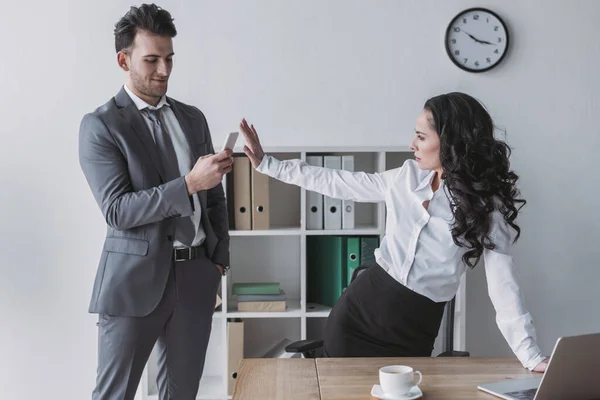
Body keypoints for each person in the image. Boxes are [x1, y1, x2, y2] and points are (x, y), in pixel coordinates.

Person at [239, 92, 549, 372]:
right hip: (356, 315)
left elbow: (504, 287)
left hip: (412, 331)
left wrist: (531, 355)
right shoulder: (406, 177)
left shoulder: (486, 208)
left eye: (421, 137)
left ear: (452, 141)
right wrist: (269, 166)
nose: (412, 145)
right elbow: (341, 183)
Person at [78, 4, 233, 399]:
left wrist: (217, 260)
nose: (163, 70)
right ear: (123, 59)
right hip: (133, 284)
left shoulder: (193, 119)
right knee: (115, 394)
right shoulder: (101, 126)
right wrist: (188, 184)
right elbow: (118, 210)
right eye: (151, 60)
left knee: (181, 395)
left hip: (196, 276)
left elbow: (214, 196)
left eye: (169, 59)